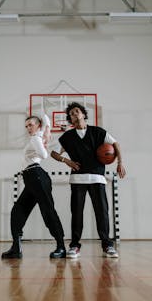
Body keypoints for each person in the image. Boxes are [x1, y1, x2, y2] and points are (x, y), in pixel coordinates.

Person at [51, 102, 126, 259]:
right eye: (71, 114)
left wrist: (120, 162)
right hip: (77, 179)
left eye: (77, 111)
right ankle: (74, 246)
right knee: (76, 213)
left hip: (98, 178)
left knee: (102, 213)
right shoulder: (67, 137)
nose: (75, 115)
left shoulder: (98, 132)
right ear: (70, 120)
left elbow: (115, 144)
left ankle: (107, 245)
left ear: (83, 114)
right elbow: (53, 153)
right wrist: (67, 161)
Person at [1, 114, 66, 259]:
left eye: (31, 125)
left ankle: (61, 247)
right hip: (31, 178)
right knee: (17, 211)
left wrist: (44, 135)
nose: (28, 128)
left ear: (37, 125)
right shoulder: (39, 136)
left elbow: (43, 155)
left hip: (36, 176)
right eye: (26, 126)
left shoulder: (36, 138)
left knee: (48, 211)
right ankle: (16, 248)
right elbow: (45, 118)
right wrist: (47, 130)